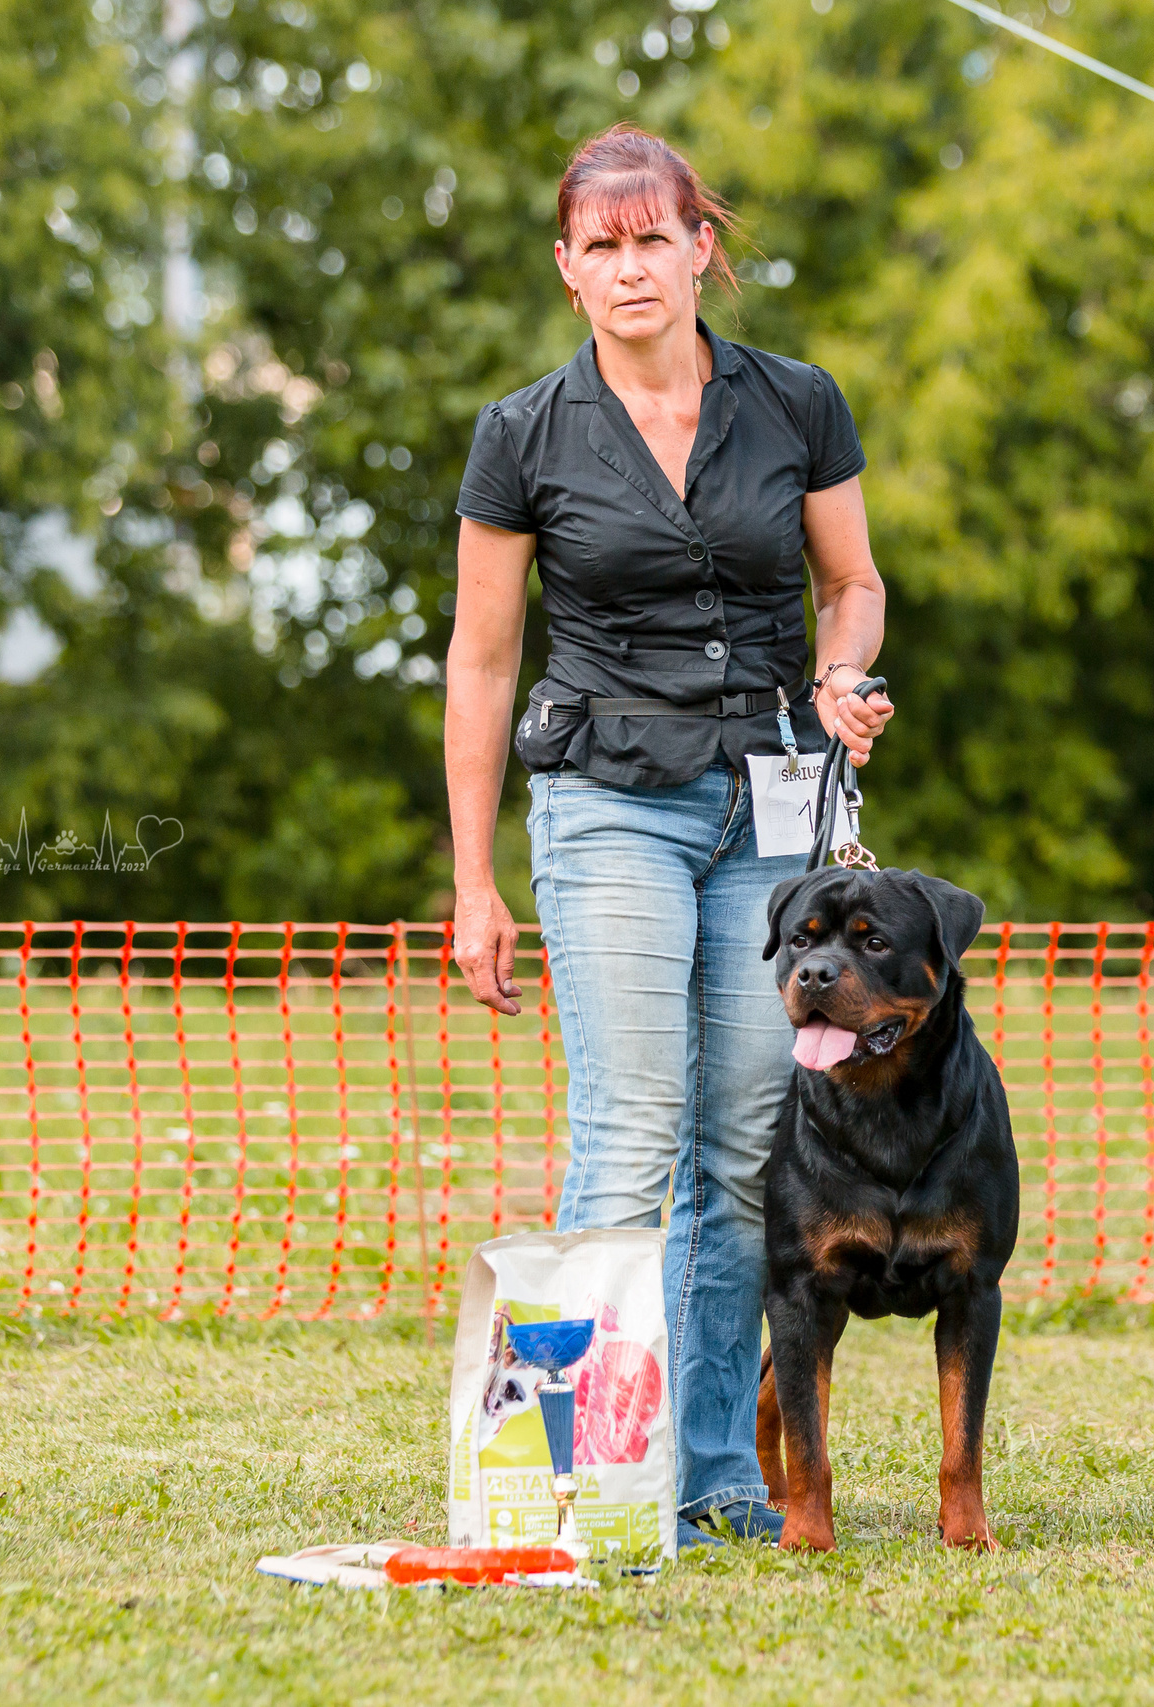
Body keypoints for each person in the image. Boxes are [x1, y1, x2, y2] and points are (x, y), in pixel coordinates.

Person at [445, 124, 895, 1549]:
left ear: (702, 249)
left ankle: (709, 1477)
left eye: (658, 239)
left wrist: (843, 677)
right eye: (604, 245)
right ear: (567, 267)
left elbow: (855, 582)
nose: (633, 267)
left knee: (744, 1150)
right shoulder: (522, 434)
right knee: (629, 1137)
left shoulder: (799, 403)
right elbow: (481, 661)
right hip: (607, 802)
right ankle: (559, 1484)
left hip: (771, 803)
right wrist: (472, 878)